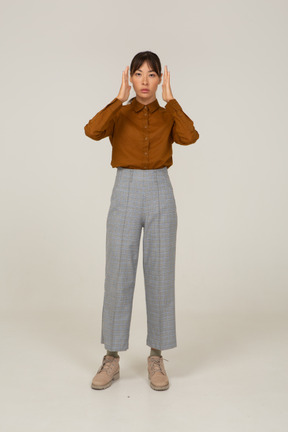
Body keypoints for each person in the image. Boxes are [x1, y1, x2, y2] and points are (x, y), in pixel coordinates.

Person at [84, 51, 199, 391]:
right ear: (130, 78)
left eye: (152, 74)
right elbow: (92, 130)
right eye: (139, 74)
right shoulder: (119, 114)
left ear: (160, 79)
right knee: (118, 272)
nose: (145, 81)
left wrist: (173, 101)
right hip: (126, 188)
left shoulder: (168, 116)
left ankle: (156, 357)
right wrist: (117, 98)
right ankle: (111, 358)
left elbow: (190, 137)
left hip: (161, 189)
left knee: (160, 272)